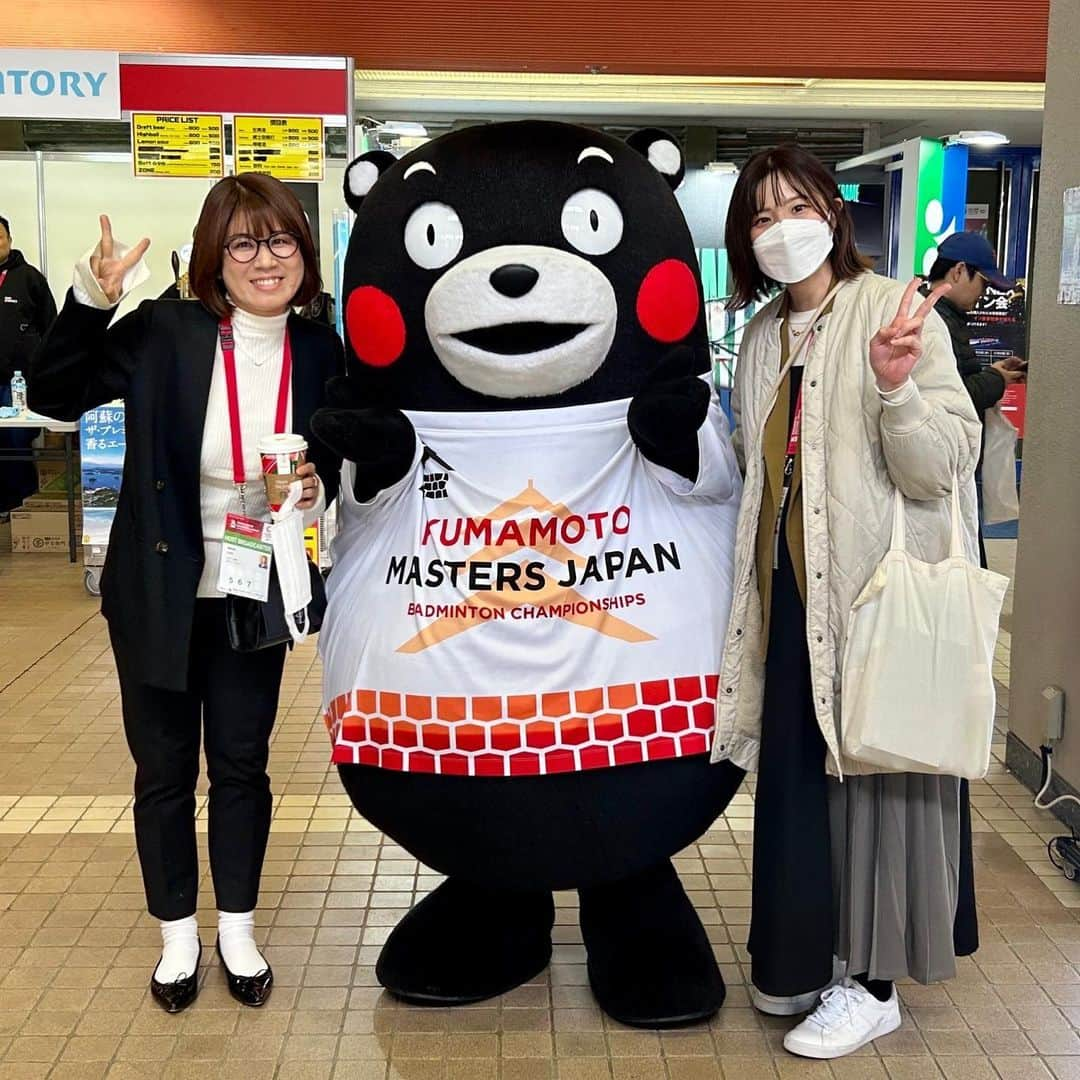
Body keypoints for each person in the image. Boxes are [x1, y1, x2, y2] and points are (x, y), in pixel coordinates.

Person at [30, 175, 345, 1014]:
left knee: (243, 765)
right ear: (214, 258)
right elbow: (53, 395)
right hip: (160, 591)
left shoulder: (320, 350)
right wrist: (91, 299)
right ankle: (177, 937)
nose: (264, 259)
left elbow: (346, 455)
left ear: (304, 254)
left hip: (258, 586)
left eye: (280, 240)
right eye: (242, 242)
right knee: (164, 771)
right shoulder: (164, 333)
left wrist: (319, 488)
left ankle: (237, 929)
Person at [717, 145, 982, 1059]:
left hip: (874, 601)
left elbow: (943, 462)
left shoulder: (892, 311)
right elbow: (754, 474)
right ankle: (807, 959)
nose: (781, 225)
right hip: (790, 600)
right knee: (800, 787)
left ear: (832, 212)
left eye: (796, 204)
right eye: (760, 215)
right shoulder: (759, 338)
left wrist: (897, 387)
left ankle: (873, 987)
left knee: (876, 784)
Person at [923, 230, 1024, 960]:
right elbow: (954, 396)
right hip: (945, 515)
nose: (984, 292)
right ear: (956, 273)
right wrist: (999, 379)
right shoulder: (932, 321)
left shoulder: (939, 320)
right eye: (980, 281)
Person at [0, 215, 57, 513]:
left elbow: (50, 326)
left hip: (16, 381)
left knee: (15, 442)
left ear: (9, 239)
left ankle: (21, 506)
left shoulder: (29, 278)